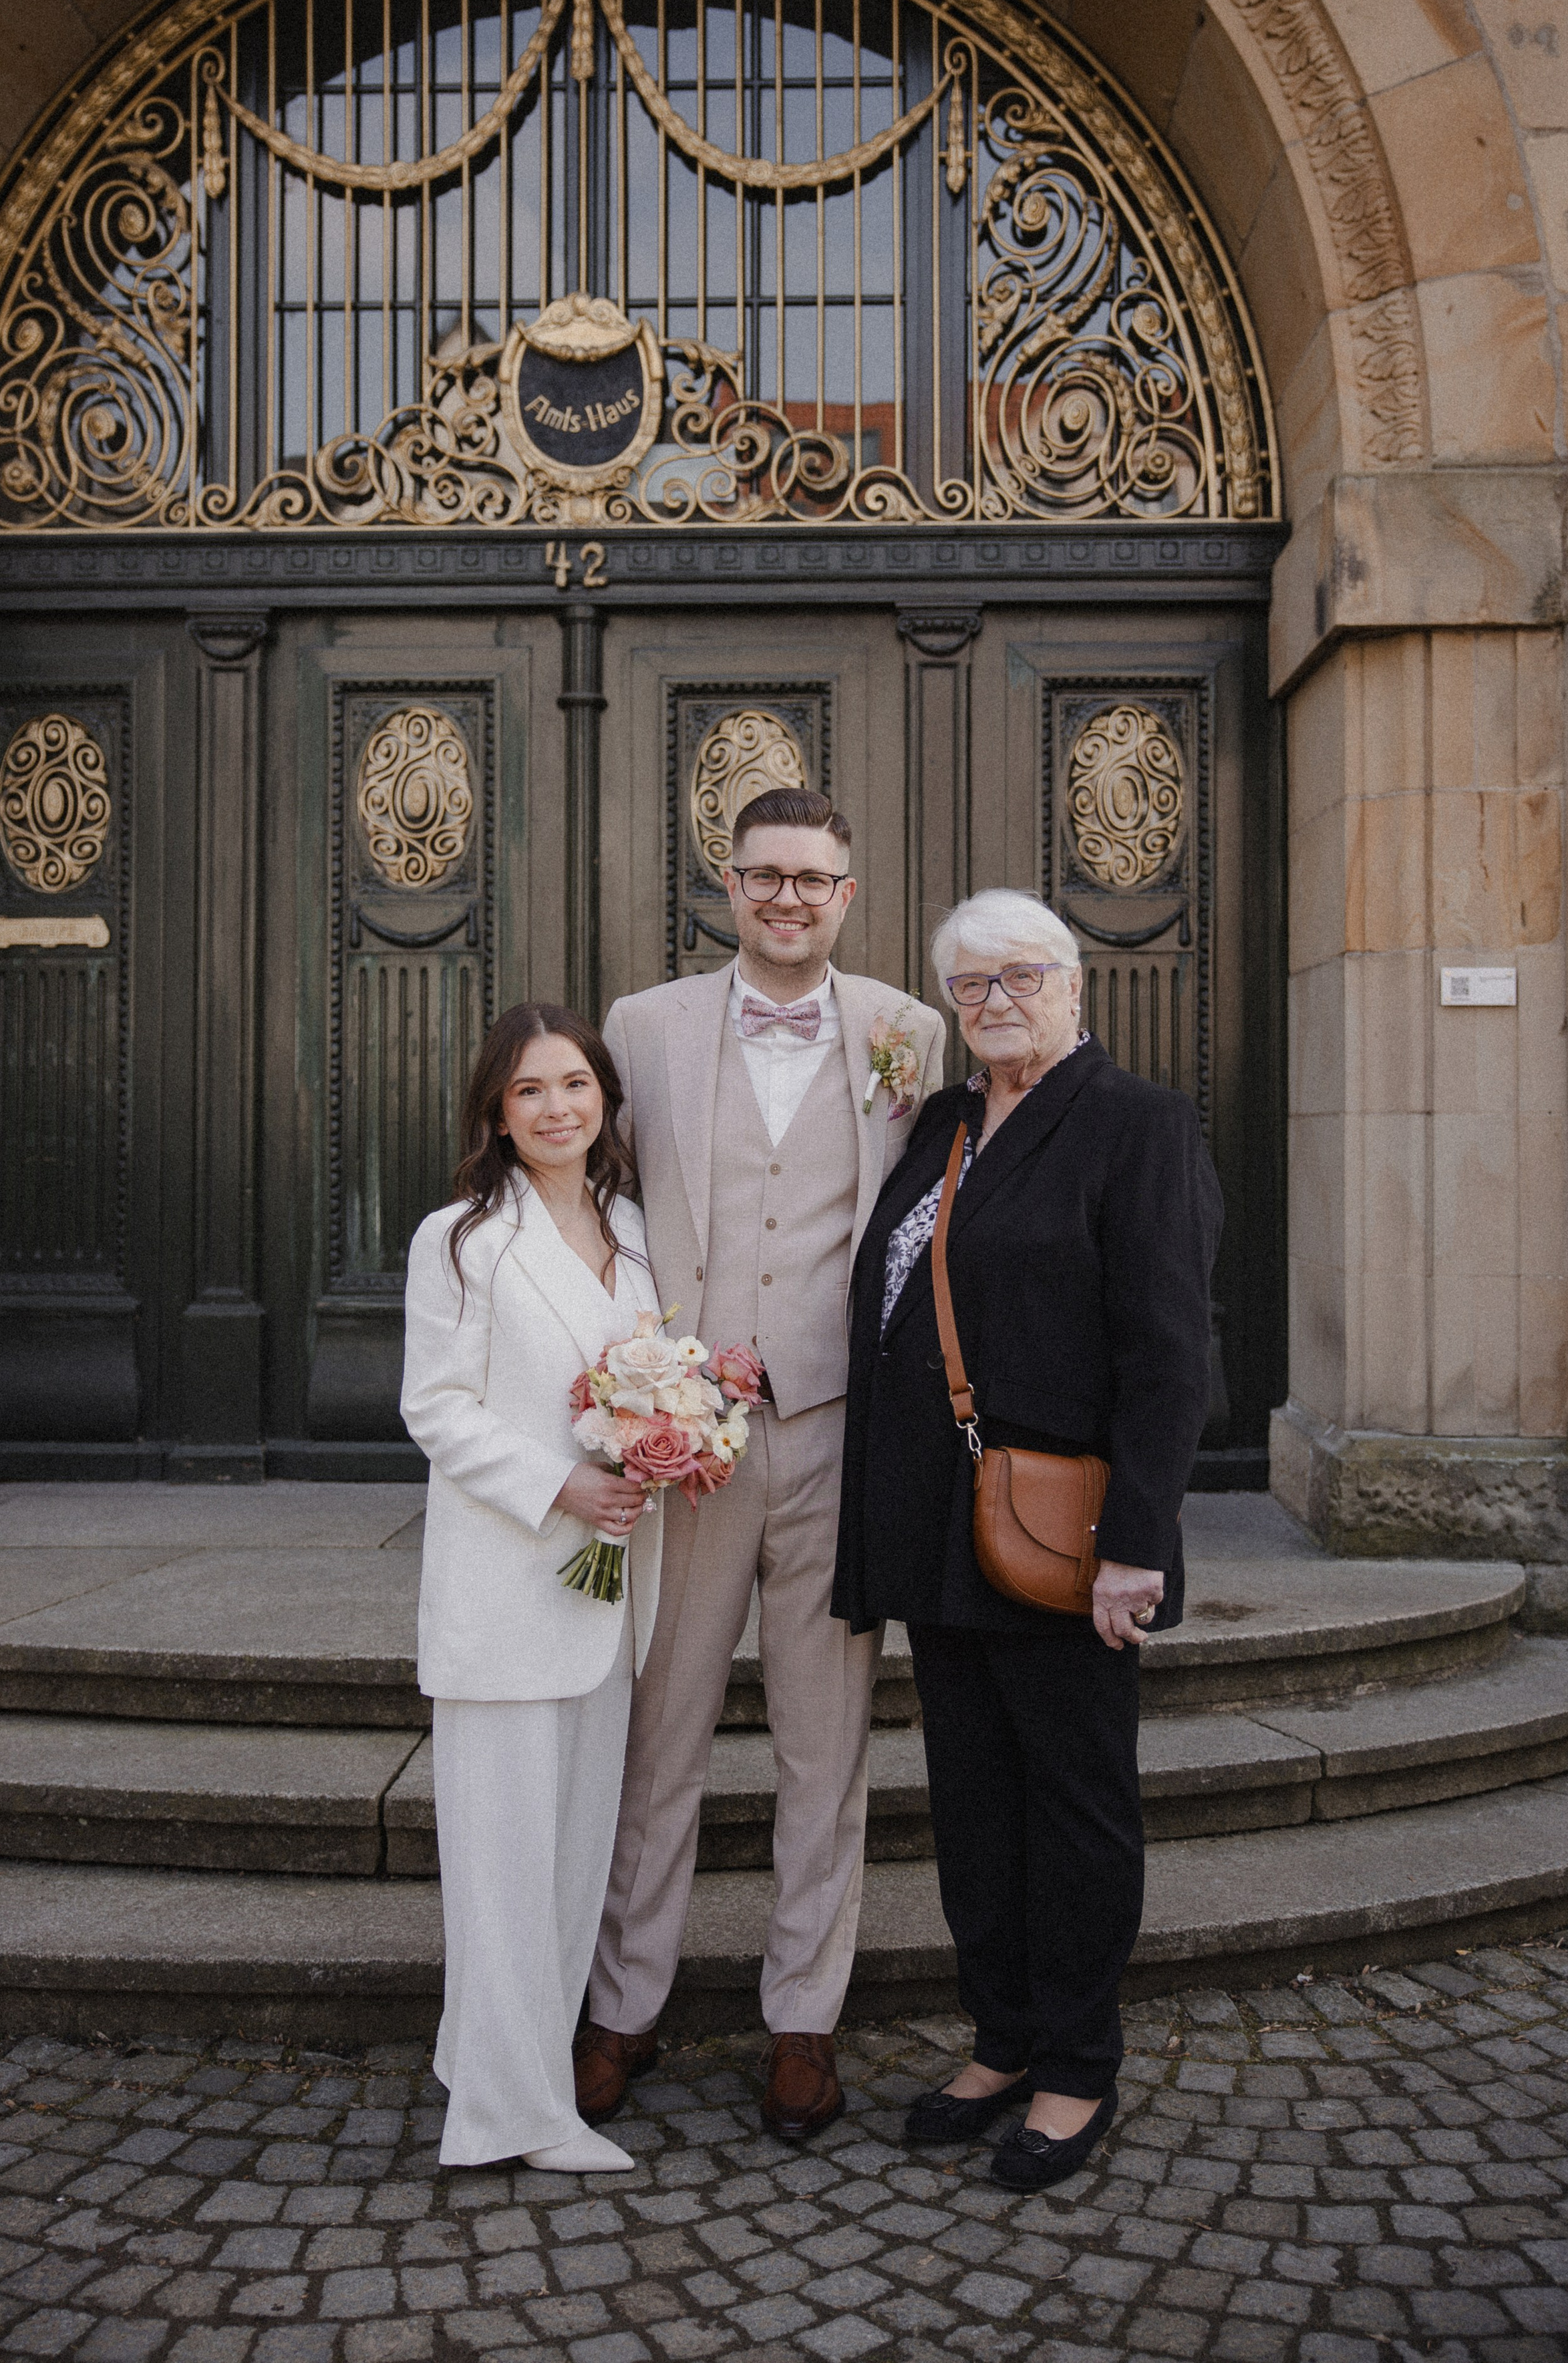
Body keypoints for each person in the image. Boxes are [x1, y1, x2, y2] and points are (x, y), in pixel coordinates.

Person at [833, 889, 1222, 2191]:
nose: (994, 1003)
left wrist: (1135, 1540)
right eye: (970, 987)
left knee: (1075, 1803)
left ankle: (1073, 2064)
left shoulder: (1134, 1125)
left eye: (1019, 979)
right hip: (943, 1530)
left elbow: (1168, 1357)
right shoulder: (942, 1121)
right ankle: (999, 2037)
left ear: (1072, 985)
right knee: (973, 1801)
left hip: (1066, 1532)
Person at [576, 788, 946, 2140]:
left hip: (842, 1435)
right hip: (689, 1445)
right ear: (727, 886)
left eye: (813, 879)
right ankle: (622, 2007)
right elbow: (597, 1210)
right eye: (764, 876)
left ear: (846, 895)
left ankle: (804, 2020)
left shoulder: (906, 1033)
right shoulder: (643, 1028)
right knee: (656, 1739)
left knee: (823, 1744)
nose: (787, 898)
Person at [401, 1003, 665, 2173]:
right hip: (509, 1589)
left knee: (567, 1863)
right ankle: (512, 2120)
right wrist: (561, 1487)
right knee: (505, 1866)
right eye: (528, 1092)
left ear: (604, 1095)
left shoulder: (640, 1229)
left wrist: (671, 1443)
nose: (557, 1109)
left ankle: (503, 2059)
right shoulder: (458, 1239)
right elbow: (437, 1408)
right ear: (497, 1117)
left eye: (574, 1085)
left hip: (607, 1601)